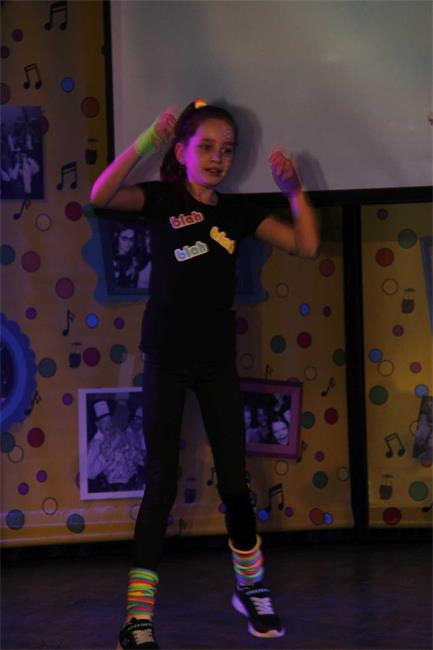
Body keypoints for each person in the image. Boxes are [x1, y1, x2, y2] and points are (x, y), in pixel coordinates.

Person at [90, 99, 319, 649]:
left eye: (227, 150)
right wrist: (145, 143)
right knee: (161, 485)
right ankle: (137, 619)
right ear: (182, 151)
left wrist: (294, 190)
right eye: (207, 147)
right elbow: (100, 195)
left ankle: (251, 587)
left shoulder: (237, 213)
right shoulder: (162, 199)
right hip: (166, 360)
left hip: (216, 363)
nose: (218, 158)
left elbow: (306, 244)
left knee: (236, 482)